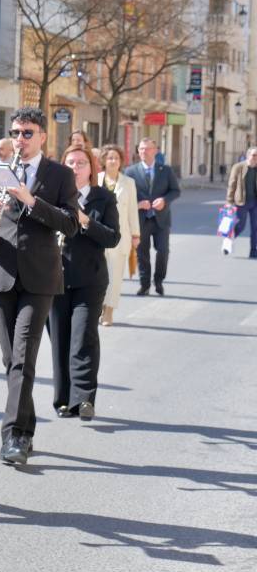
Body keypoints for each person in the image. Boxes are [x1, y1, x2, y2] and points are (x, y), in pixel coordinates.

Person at [0, 108, 78, 466]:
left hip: (39, 276)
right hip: (1, 271)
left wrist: (30, 200)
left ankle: (14, 437)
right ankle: (26, 427)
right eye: (16, 132)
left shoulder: (60, 174)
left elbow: (69, 224)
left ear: (42, 137)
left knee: (23, 357)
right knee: (11, 361)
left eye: (27, 133)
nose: (19, 139)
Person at [49, 146, 119, 421]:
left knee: (83, 337)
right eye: (70, 163)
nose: (75, 168)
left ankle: (84, 398)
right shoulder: (54, 197)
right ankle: (64, 400)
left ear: (92, 169)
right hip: (55, 277)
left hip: (90, 279)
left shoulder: (104, 198)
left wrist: (85, 219)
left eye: (81, 163)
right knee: (60, 340)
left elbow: (112, 238)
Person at [124, 138, 180, 296]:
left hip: (161, 219)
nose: (143, 152)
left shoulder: (166, 170)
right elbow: (125, 196)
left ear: (155, 151)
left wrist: (164, 200)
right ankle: (144, 284)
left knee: (163, 251)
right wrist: (138, 204)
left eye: (147, 149)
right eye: (141, 149)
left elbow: (175, 191)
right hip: (140, 219)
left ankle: (159, 281)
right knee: (142, 253)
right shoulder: (130, 171)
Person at [97, 145, 139, 325]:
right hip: (97, 236)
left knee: (114, 278)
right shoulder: (95, 179)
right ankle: (97, 308)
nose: (113, 161)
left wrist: (136, 234)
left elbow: (132, 211)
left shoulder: (128, 183)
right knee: (97, 276)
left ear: (121, 161)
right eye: (110, 157)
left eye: (116, 158)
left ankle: (109, 311)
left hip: (119, 238)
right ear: (104, 161)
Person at [225, 147, 257, 258]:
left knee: (255, 227)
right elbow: (232, 185)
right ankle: (228, 241)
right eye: (254, 155)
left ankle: (253, 251)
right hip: (241, 202)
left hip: (255, 203)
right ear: (248, 156)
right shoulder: (238, 167)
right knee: (240, 226)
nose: (255, 158)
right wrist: (229, 201)